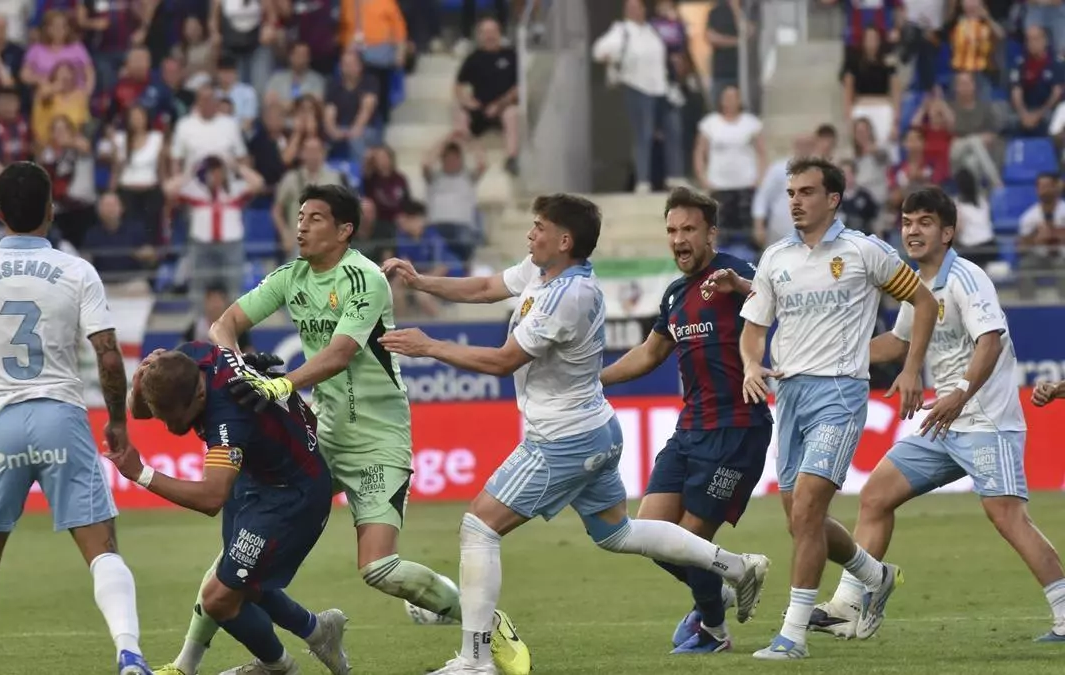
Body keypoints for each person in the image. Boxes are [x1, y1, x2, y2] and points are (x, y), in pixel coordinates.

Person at [378, 193, 772, 674]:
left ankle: (475, 660)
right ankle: (736, 566)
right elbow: (485, 287)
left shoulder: (571, 295)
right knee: (618, 533)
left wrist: (429, 346)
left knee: (479, 527)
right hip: (592, 429)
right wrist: (422, 282)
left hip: (562, 439)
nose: (530, 234)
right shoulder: (541, 272)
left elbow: (504, 361)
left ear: (564, 241)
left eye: (539, 227)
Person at [157, 184, 532, 675]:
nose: (301, 226)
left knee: (378, 568)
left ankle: (486, 620)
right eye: (300, 216)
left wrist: (281, 384)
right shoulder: (290, 276)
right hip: (321, 435)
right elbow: (223, 323)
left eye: (314, 218)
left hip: (379, 438)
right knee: (239, 549)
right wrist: (237, 364)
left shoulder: (365, 278)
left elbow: (340, 353)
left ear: (344, 230)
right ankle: (186, 665)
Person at [0, 162, 151, 675]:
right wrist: (118, 420)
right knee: (103, 548)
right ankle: (129, 652)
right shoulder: (77, 271)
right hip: (60, 417)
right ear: (51, 209)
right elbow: (107, 353)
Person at [812, 188, 1065, 644]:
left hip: (985, 420)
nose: (913, 230)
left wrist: (960, 394)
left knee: (1008, 517)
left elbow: (990, 341)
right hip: (942, 424)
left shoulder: (968, 277)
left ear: (947, 233)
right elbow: (898, 343)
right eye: (908, 222)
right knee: (875, 497)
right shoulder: (915, 285)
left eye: (925, 222)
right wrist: (834, 356)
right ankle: (849, 604)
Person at [738, 157, 938, 660]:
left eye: (806, 192)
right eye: (791, 193)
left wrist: (912, 368)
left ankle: (792, 636)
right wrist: (750, 363)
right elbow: (754, 328)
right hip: (791, 396)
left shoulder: (863, 252)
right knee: (799, 519)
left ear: (833, 199)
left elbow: (925, 302)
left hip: (840, 394)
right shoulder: (775, 258)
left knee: (808, 509)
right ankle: (875, 574)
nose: (795, 201)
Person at [599, 187, 773, 653]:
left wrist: (742, 287)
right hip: (689, 430)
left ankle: (714, 630)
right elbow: (649, 353)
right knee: (649, 535)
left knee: (692, 539)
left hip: (737, 428)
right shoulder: (676, 293)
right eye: (672, 230)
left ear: (711, 233)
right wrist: (594, 381)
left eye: (689, 229)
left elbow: (781, 300)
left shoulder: (738, 274)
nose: (679, 239)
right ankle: (724, 582)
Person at [108, 342, 351, 674]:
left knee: (219, 598)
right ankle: (318, 632)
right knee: (241, 582)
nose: (168, 426)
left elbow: (211, 498)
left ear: (199, 396)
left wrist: (141, 473)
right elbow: (140, 411)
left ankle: (279, 668)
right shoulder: (187, 360)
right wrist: (140, 383)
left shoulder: (230, 413)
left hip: (291, 498)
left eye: (174, 417)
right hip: (257, 477)